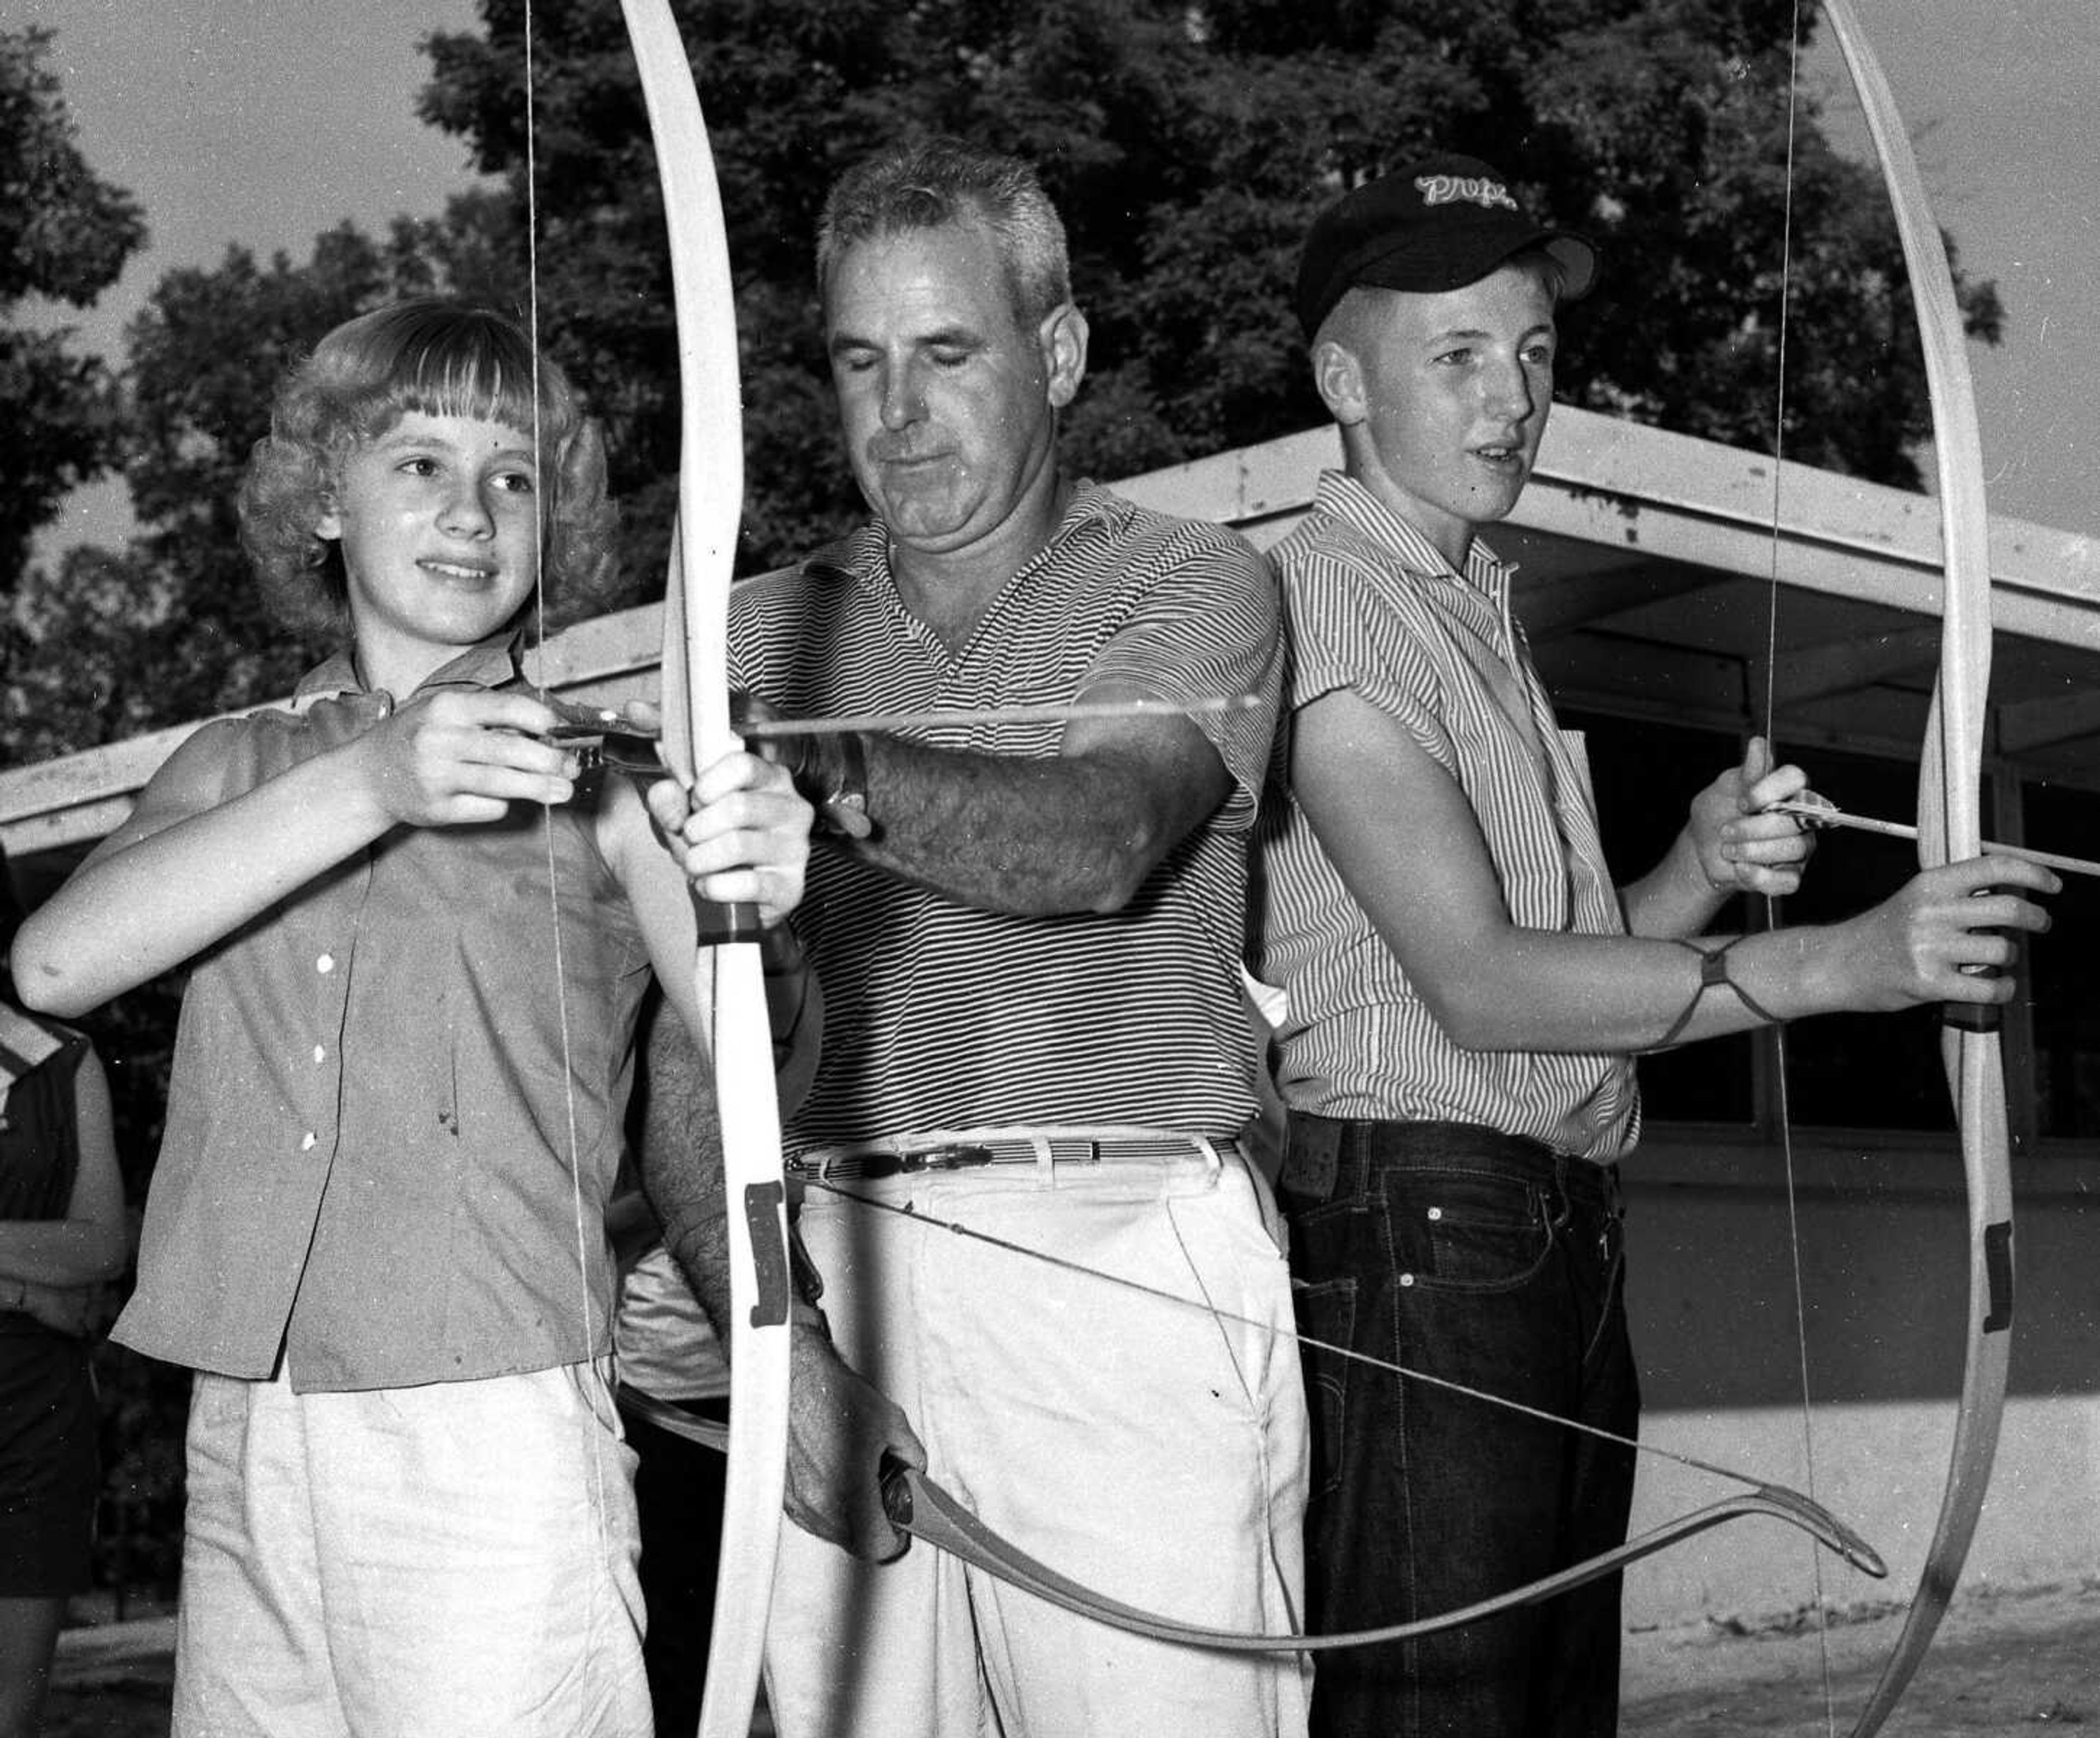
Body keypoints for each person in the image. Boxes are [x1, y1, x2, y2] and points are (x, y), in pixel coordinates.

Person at [1247, 154, 2060, 1737]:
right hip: (1426, 1229)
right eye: (1461, 354)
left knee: (1546, 1708)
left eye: (1537, 354)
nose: (1514, 399)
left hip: (1542, 1230)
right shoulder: (1332, 600)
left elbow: (1571, 977)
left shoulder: (1475, 604)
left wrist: (1694, 867)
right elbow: (1481, 985)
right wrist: (1829, 964)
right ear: (1343, 379)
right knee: (1445, 1709)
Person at [10, 300, 813, 1738]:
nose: (472, 508)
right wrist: (375, 777)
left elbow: (761, 1061)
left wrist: (762, 888)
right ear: (324, 492)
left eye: (515, 474)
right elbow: (60, 963)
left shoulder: (607, 780)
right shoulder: (237, 765)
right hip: (249, 1427)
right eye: (420, 462)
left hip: (491, 1431)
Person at [647, 135, 1310, 1738]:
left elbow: (1100, 838)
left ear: (1058, 352)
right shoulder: (748, 636)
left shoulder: (1195, 582)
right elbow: (687, 1044)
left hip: (1127, 1262)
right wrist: (777, 1348)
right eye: (861, 363)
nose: (897, 413)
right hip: (832, 1266)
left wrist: (830, 767)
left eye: (947, 356)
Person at [0, 883, 128, 1738]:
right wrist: (24, 1283)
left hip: (31, 1420)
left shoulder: (62, 1059)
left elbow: (100, 1248)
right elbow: (65, 1265)